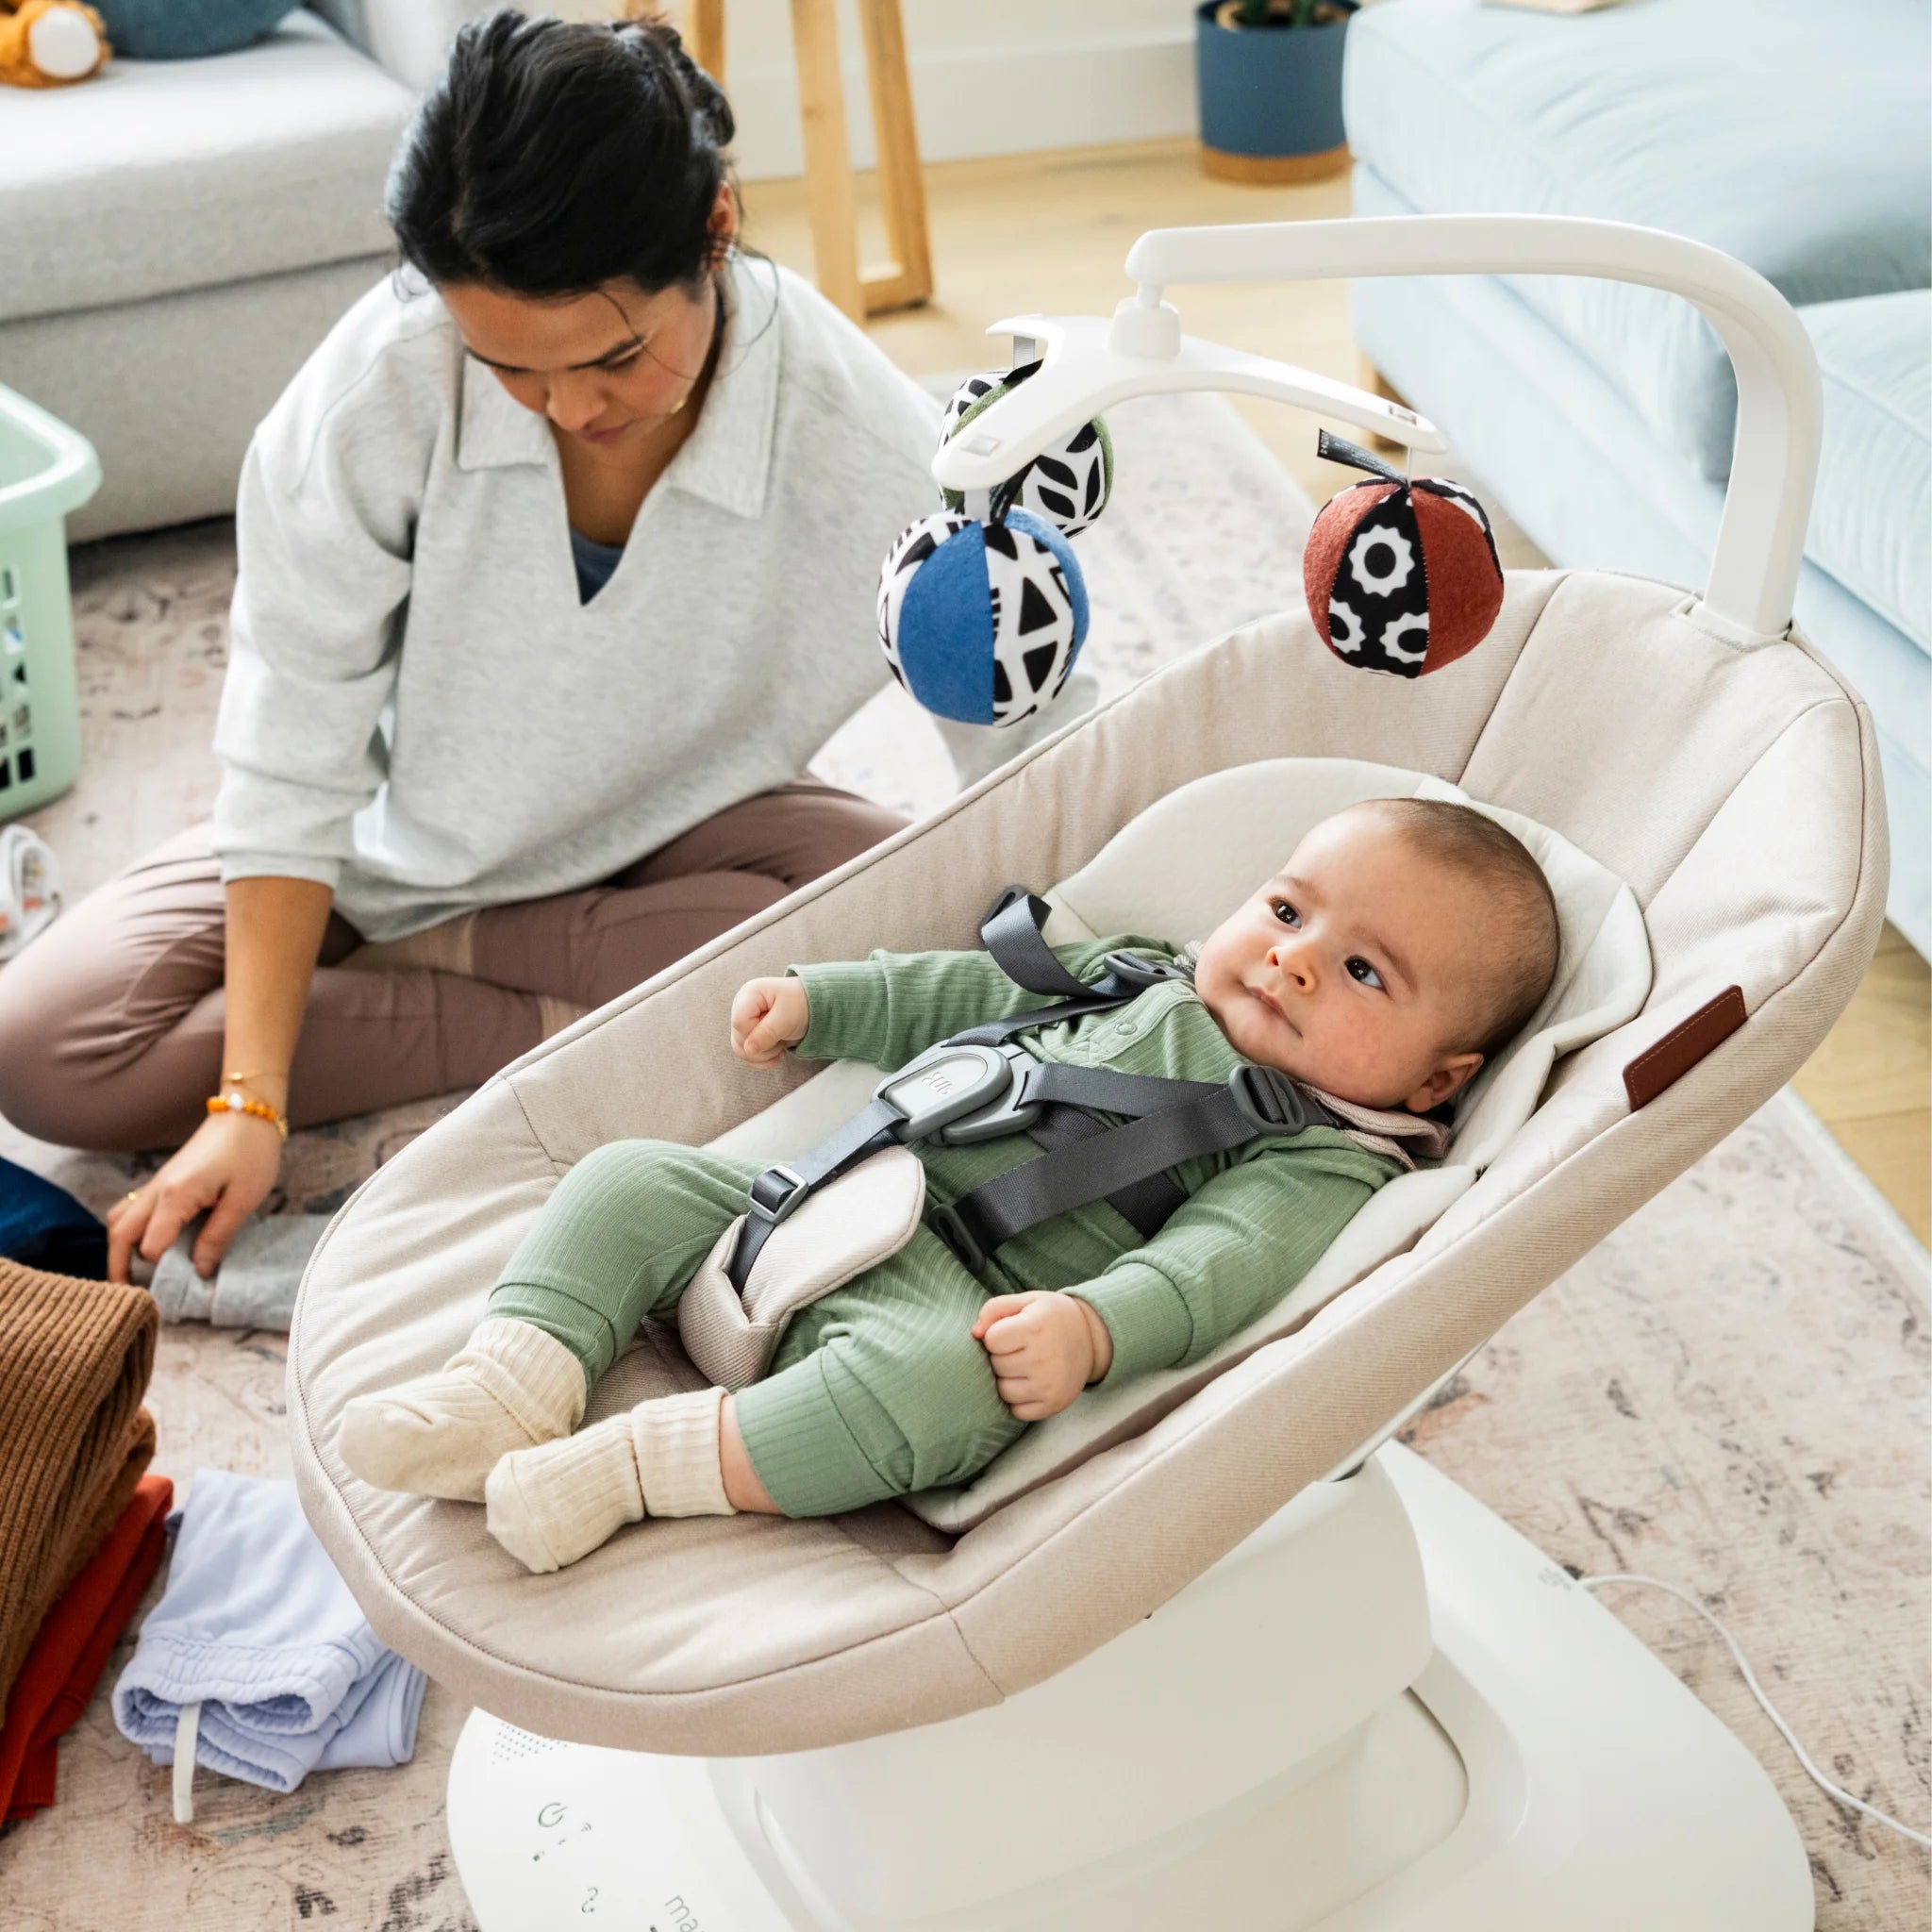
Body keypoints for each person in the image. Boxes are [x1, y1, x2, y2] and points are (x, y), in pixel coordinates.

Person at [0, 12, 1085, 1284]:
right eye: (510, 366)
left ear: (718, 227)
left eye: (617, 354)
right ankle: (605, 1020)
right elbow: (292, 754)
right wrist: (248, 1101)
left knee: (950, 941)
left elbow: (1039, 747)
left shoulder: (871, 439)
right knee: (42, 1047)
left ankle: (520, 981)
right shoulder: (374, 396)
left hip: (693, 832)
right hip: (389, 851)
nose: (573, 409)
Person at [340, 798, 1562, 1573]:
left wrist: (1093, 1328)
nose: (1291, 960)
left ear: (1432, 1080)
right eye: (1287, 909)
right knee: (628, 1182)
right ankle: (512, 1384)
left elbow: (1215, 1267)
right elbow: (966, 995)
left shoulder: (1317, 1151)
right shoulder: (1136, 977)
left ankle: (633, 1470)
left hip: (945, 1297)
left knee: (938, 1402)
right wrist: (829, 1003)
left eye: (1361, 970)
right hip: (814, 1191)